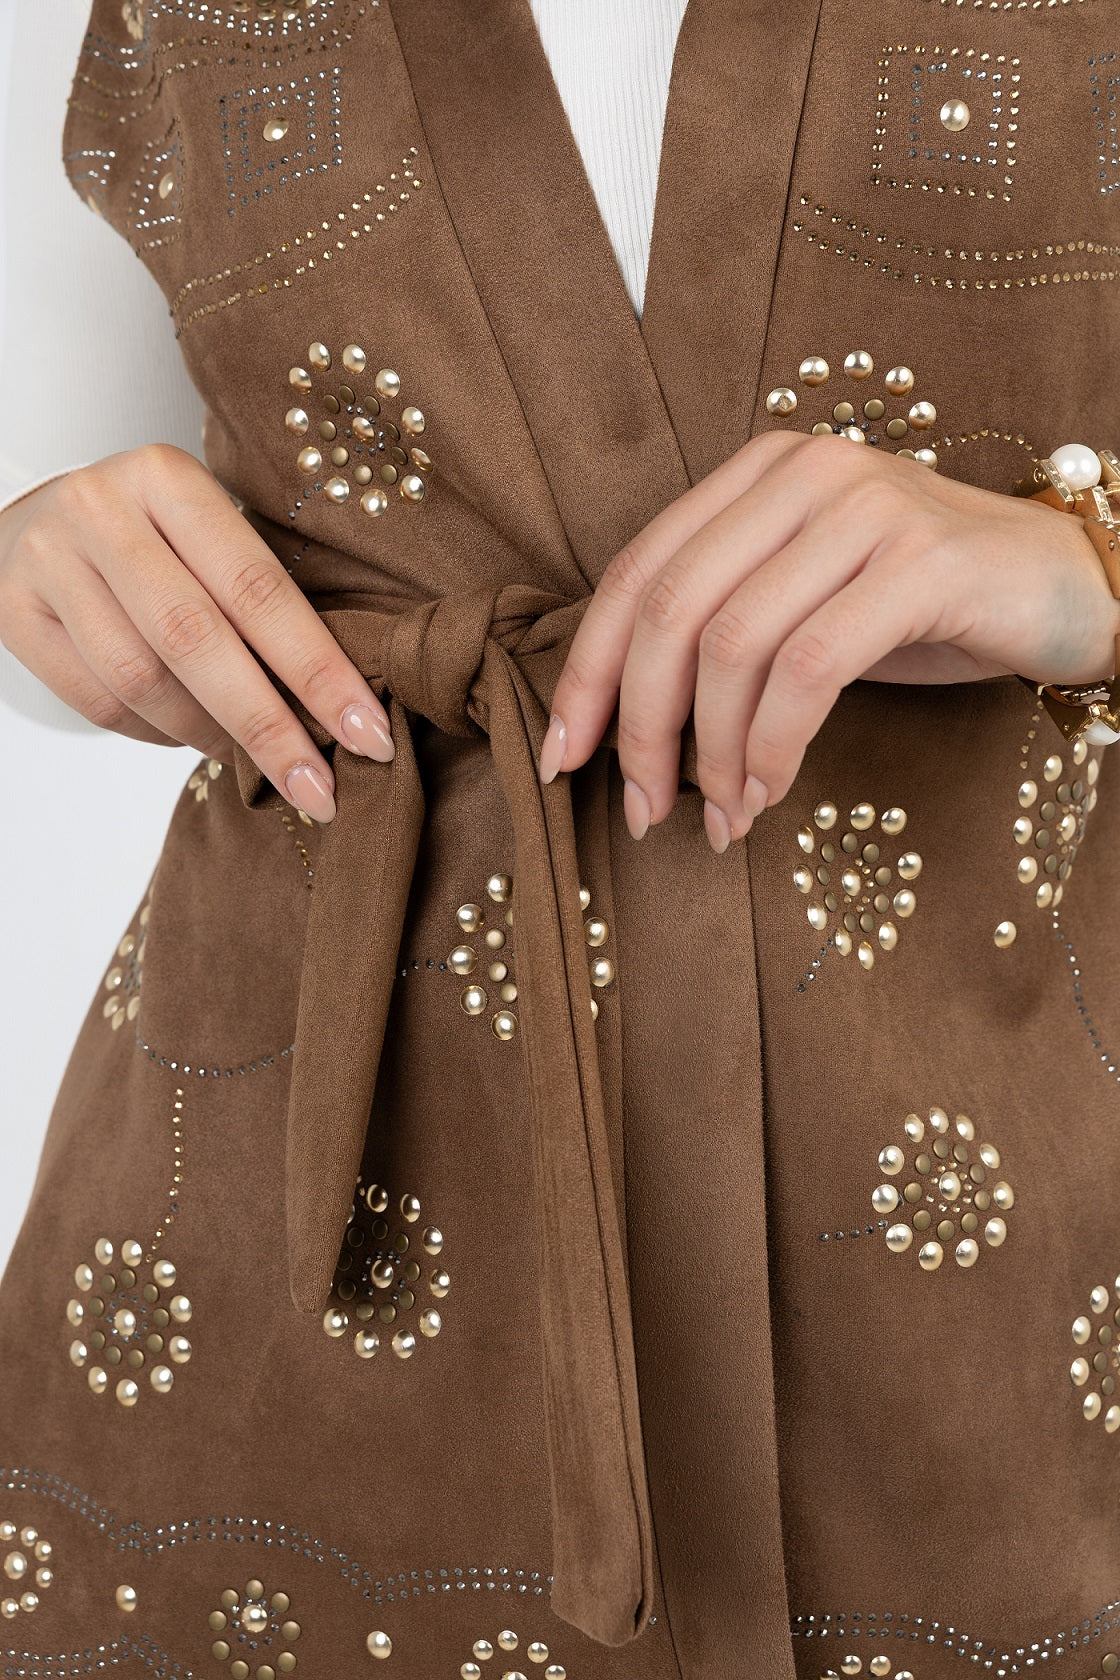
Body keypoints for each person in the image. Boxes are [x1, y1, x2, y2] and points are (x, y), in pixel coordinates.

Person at [2, 1, 1120, 1676]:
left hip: (1009, 1206)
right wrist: (33, 546)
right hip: (288, 1214)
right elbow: (55, 509)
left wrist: (1085, 563)